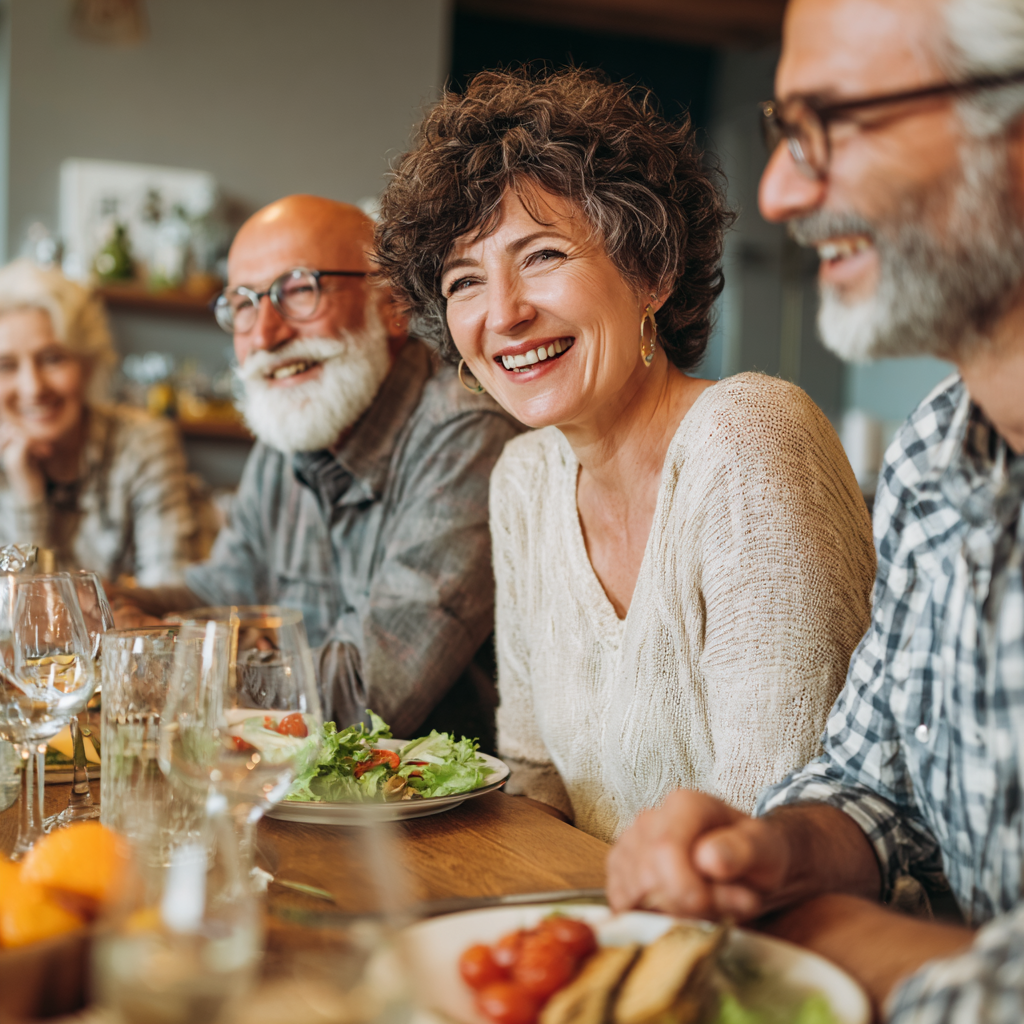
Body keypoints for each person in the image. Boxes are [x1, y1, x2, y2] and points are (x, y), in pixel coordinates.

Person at [607, 0, 1024, 1018]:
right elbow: (873, 790)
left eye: (829, 121)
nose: (779, 189)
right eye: (781, 130)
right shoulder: (933, 451)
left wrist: (814, 934)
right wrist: (768, 854)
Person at [374, 68, 877, 841]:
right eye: (464, 279)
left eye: (542, 256)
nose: (504, 313)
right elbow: (535, 775)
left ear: (652, 272)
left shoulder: (749, 436)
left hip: (767, 939)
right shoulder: (525, 481)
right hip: (598, 923)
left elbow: (772, 821)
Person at [113, 195, 522, 741]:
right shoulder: (289, 439)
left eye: (300, 290)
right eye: (242, 304)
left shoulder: (465, 432)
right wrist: (117, 609)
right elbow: (222, 594)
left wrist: (170, 654)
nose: (264, 335)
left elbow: (365, 698)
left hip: (445, 814)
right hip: (304, 801)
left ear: (393, 306)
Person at [0, 259, 195, 584]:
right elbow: (12, 620)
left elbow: (168, 599)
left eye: (52, 358)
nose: (33, 388)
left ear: (87, 363)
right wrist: (28, 498)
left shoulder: (144, 443)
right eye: (6, 366)